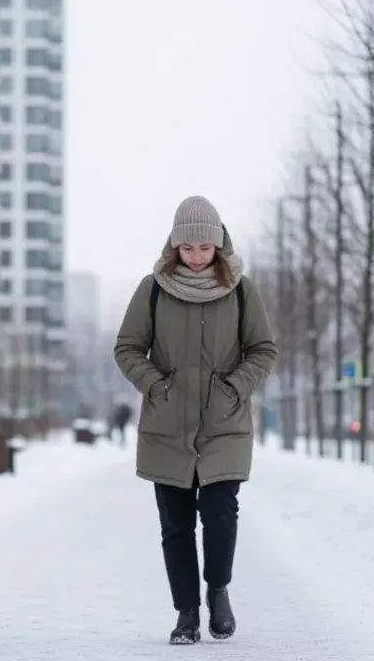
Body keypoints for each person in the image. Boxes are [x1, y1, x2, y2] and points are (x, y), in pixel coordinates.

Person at [113, 195, 278, 646]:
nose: (197, 257)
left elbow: (263, 349)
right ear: (174, 246)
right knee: (176, 523)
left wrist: (234, 388)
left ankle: (217, 589)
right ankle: (186, 612)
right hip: (168, 424)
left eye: (205, 248)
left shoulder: (242, 290)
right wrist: (158, 386)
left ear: (219, 245)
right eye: (187, 249)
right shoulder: (153, 288)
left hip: (225, 422)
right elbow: (127, 347)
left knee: (221, 513)